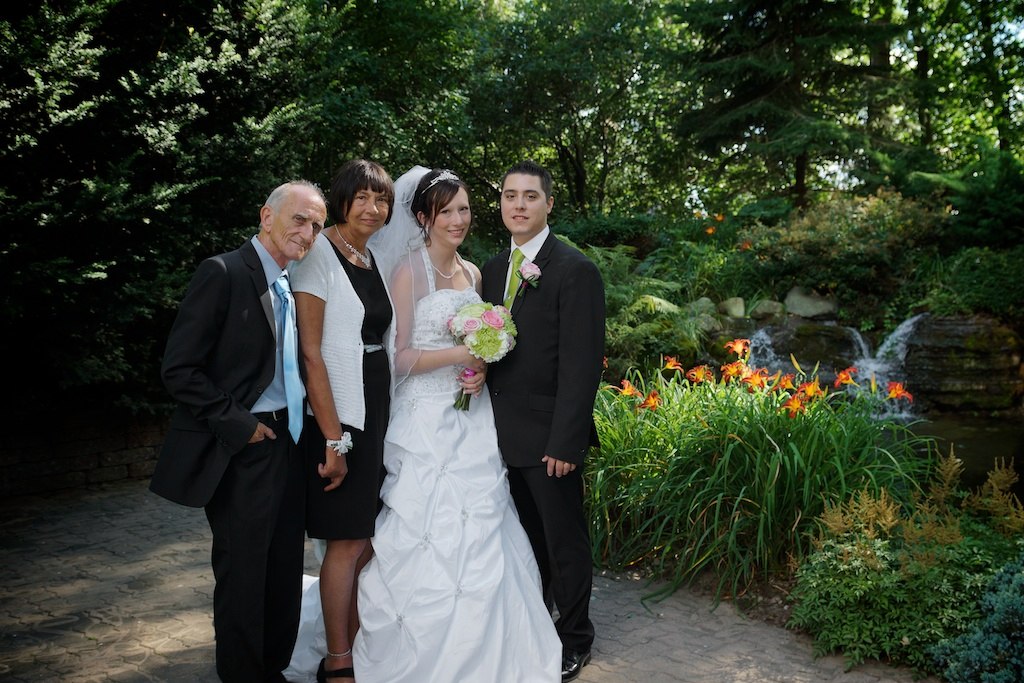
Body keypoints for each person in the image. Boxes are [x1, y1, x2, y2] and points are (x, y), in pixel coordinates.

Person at [350, 166, 561, 682]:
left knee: (488, 521)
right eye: (447, 211)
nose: (458, 219)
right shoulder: (406, 272)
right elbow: (397, 357)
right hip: (424, 420)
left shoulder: (474, 274)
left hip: (471, 419)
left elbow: (480, 354)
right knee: (425, 529)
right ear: (423, 217)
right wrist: (459, 353)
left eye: (464, 209)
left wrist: (478, 367)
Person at [150, 180, 327, 682]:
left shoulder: (293, 285)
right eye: (300, 219)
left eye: (316, 225)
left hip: (291, 445)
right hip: (243, 448)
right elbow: (180, 369)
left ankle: (272, 670)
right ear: (265, 216)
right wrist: (242, 426)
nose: (308, 232)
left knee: (283, 576)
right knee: (244, 577)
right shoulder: (223, 272)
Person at [482, 160, 606, 682]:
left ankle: (576, 638)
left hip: (548, 441)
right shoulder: (489, 270)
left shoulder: (574, 270)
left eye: (530, 196)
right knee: (523, 545)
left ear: (549, 204)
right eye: (510, 195)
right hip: (493, 437)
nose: (518, 205)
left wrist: (566, 442)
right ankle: (534, 628)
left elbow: (582, 368)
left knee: (564, 544)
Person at [288, 159, 395, 683]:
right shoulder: (318, 258)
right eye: (364, 198)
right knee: (345, 541)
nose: (373, 209)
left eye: (383, 201)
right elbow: (311, 354)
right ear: (343, 198)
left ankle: (353, 645)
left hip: (376, 411)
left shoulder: (369, 257)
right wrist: (334, 439)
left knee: (367, 538)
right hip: (341, 417)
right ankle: (337, 662)